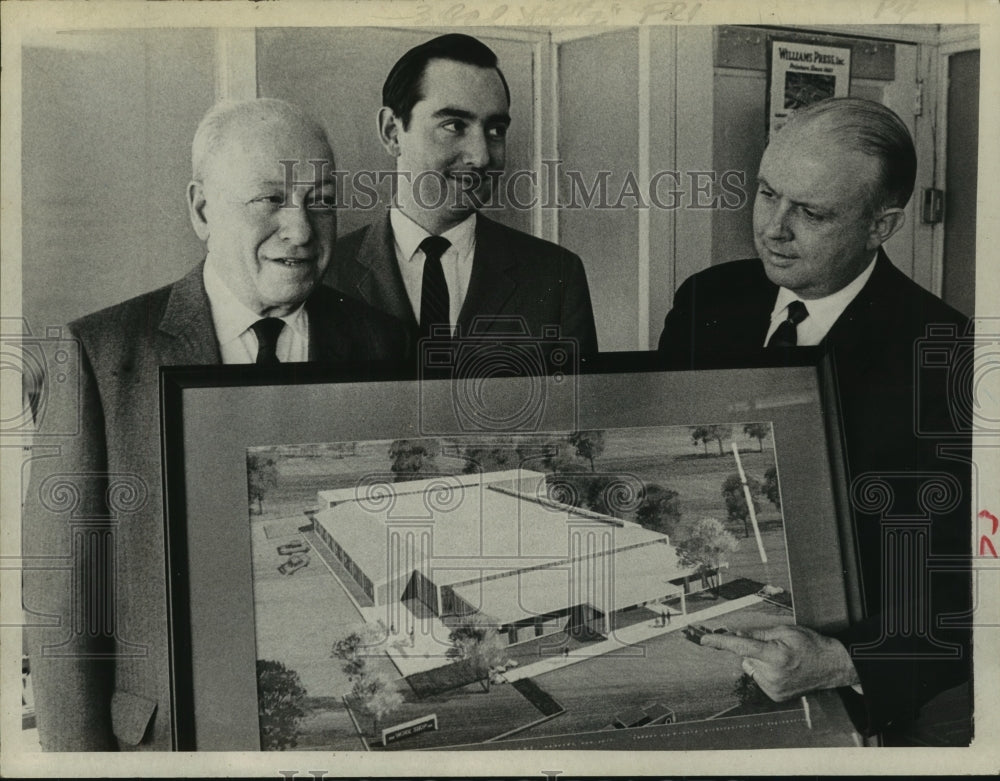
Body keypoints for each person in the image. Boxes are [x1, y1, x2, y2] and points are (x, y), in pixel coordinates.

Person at [22, 98, 410, 750]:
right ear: (202, 210)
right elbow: (65, 609)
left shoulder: (387, 345)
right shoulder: (99, 355)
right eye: (270, 200)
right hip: (168, 745)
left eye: (320, 200)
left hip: (338, 727)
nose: (302, 229)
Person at [657, 97, 971, 741]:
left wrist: (843, 663)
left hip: (849, 705)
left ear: (881, 226)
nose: (774, 227)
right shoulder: (704, 301)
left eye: (811, 212)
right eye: (768, 193)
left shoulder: (951, 359)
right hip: (698, 659)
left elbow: (973, 589)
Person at [329, 33, 599, 356]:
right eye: (455, 125)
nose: (482, 157)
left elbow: (578, 406)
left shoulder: (556, 276)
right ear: (392, 132)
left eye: (496, 130)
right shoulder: (326, 275)